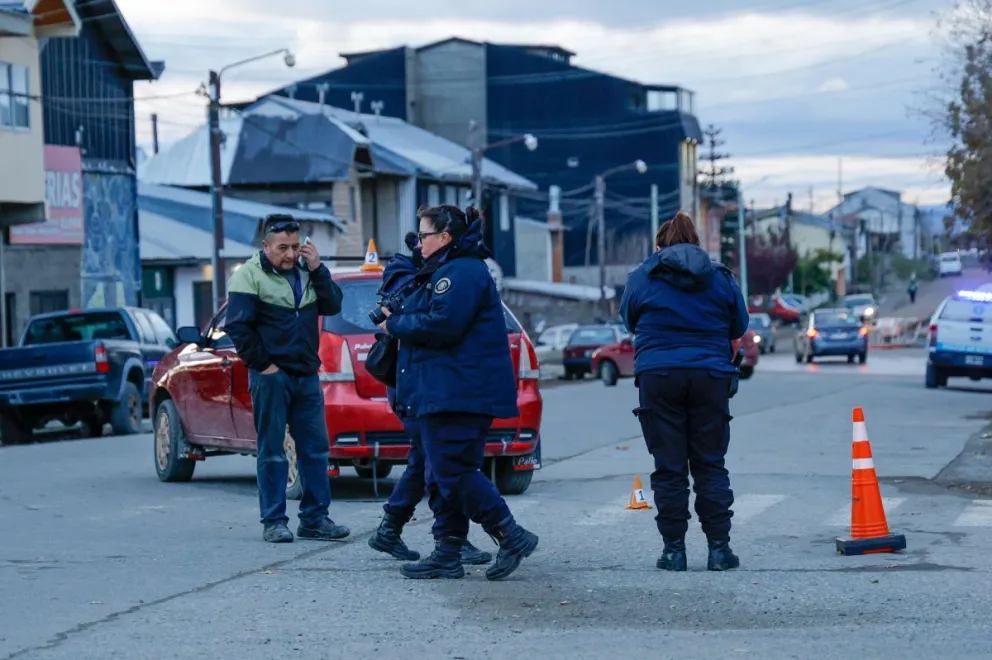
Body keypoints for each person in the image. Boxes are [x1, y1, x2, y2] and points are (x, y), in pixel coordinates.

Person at [378, 204, 538, 581]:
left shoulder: (462, 272)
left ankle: (510, 534)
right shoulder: (445, 270)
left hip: (458, 390)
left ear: (444, 237)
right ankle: (447, 552)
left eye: (424, 235)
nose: (419, 243)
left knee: (453, 471)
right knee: (443, 473)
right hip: (445, 389)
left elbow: (444, 324)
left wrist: (395, 324)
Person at [619, 211, 749, 572]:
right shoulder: (720, 277)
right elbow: (739, 323)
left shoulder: (644, 275)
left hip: (659, 375)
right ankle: (719, 550)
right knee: (710, 463)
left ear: (660, 245)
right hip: (710, 374)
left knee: (670, 466)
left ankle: (674, 551)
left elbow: (628, 319)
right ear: (696, 243)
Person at [366, 232, 492, 566]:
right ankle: (447, 538)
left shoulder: (429, 273)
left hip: (420, 381)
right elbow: (420, 320)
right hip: (409, 381)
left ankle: (397, 530)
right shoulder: (409, 275)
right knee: (435, 460)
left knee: (424, 459)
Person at [226, 214, 350, 544]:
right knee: (272, 450)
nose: (290, 254)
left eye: (296, 246)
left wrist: (318, 269)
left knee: (315, 449)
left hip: (306, 374)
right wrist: (264, 366)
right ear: (265, 246)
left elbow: (334, 304)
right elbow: (237, 327)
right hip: (271, 377)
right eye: (282, 248)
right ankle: (274, 521)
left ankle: (315, 518)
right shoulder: (249, 276)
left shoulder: (307, 272)